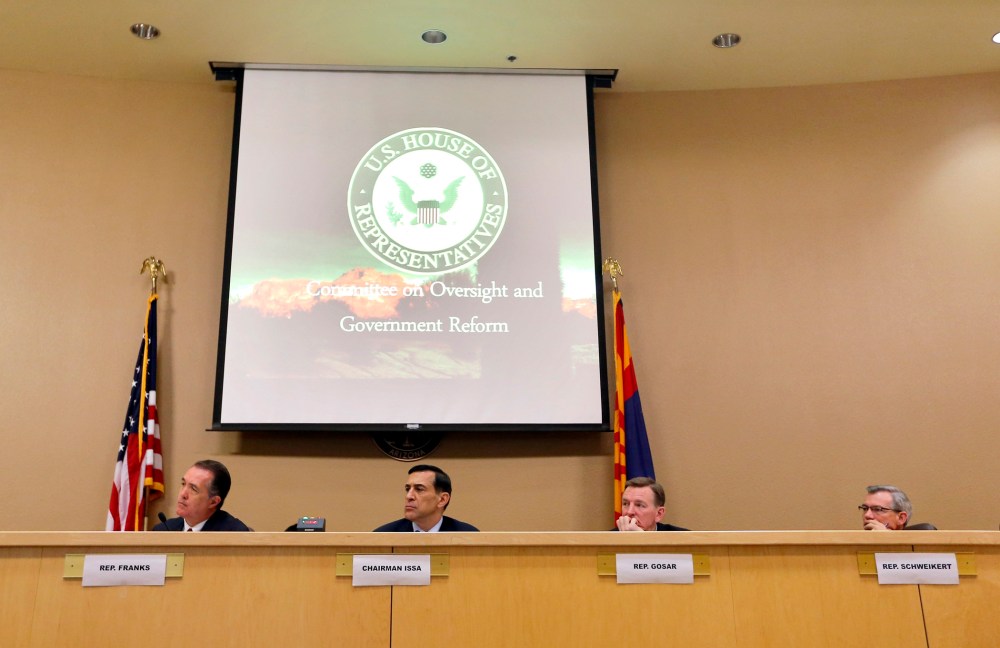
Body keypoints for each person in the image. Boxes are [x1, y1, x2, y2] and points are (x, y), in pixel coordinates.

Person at [373, 464, 479, 532]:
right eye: (408, 489)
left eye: (419, 489)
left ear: (442, 499)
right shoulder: (383, 535)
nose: (409, 496)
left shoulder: (469, 536)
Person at [152, 459, 250, 532]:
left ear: (213, 502)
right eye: (183, 484)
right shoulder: (163, 530)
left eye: (193, 489)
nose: (182, 494)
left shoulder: (233, 534)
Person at [614, 476, 688, 531]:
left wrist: (641, 539)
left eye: (639, 505)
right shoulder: (608, 540)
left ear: (659, 514)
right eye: (625, 504)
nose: (629, 512)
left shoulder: (684, 540)